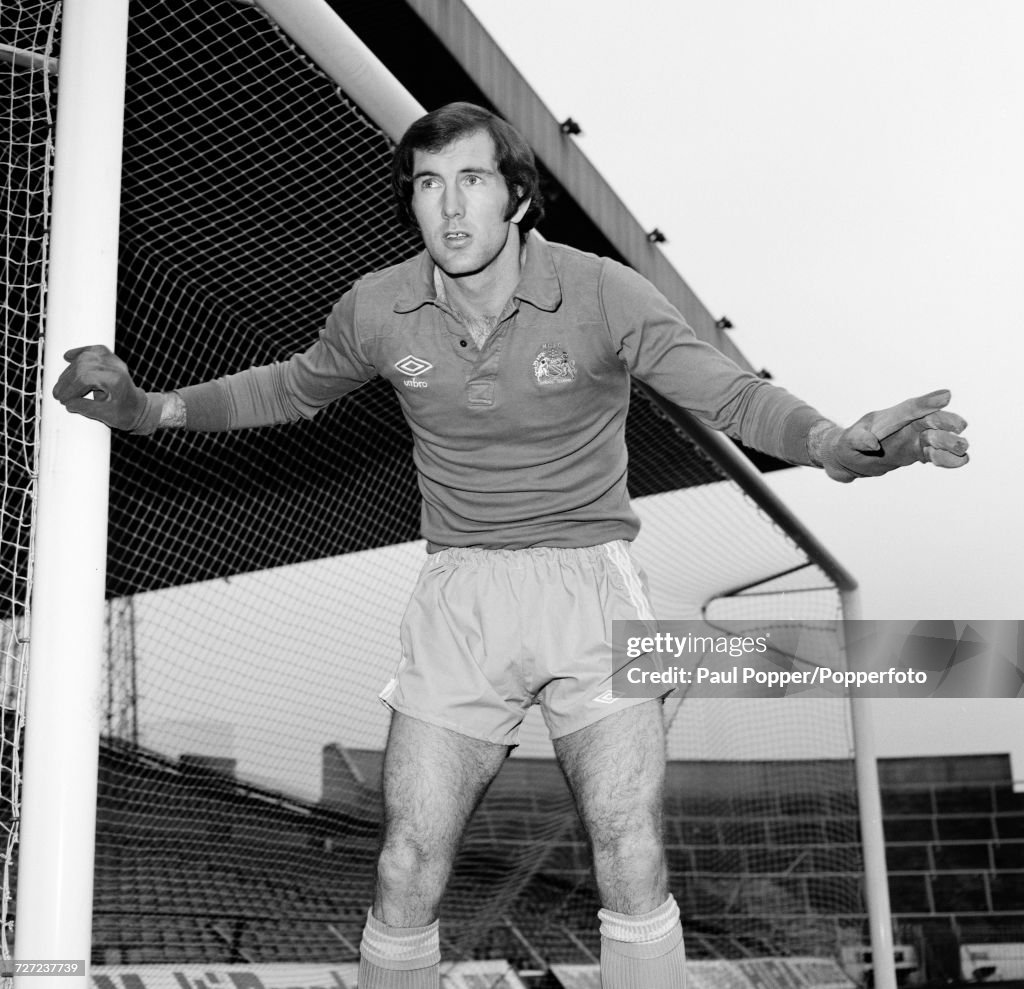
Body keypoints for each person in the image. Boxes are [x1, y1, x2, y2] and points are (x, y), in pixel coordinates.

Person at [53, 102, 968, 989]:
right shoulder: (380, 308)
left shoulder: (602, 291)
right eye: (427, 184)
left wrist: (837, 448)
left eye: (473, 180)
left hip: (591, 589)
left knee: (630, 845)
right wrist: (148, 410)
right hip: (462, 597)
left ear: (517, 198)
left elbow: (729, 393)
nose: (450, 207)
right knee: (407, 862)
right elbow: (289, 388)